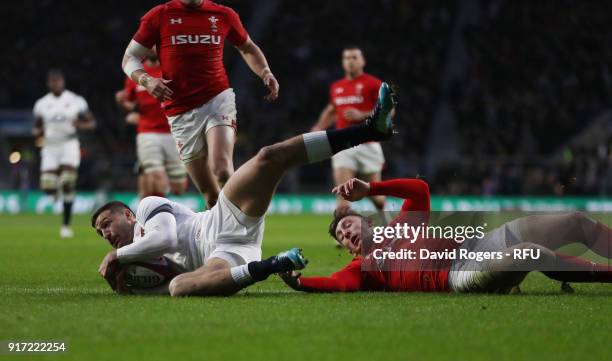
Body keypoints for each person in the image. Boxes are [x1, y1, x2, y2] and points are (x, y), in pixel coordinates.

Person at [93, 83, 396, 296]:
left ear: (129, 215)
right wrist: (130, 285)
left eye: (107, 223)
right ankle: (273, 264)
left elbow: (165, 238)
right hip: (228, 253)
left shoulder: (147, 206)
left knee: (269, 157)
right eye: (100, 232)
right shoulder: (133, 261)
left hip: (221, 219)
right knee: (179, 288)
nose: (106, 233)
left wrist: (118, 256)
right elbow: (168, 281)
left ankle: (371, 129)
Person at [279, 178, 612, 293]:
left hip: (478, 244)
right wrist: (298, 282)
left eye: (348, 225)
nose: (347, 232)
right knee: (529, 252)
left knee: (575, 221)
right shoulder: (364, 266)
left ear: (365, 220)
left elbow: (420, 190)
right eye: (342, 235)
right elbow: (337, 284)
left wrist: (372, 187)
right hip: (459, 274)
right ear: (346, 248)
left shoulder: (401, 224)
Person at [121, 0, 279, 208]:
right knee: (211, 196)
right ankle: (221, 235)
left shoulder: (223, 14)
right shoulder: (159, 15)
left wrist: (265, 71)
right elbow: (129, 58)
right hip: (179, 110)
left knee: (221, 169)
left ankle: (244, 228)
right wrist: (147, 80)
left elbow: (247, 47)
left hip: (217, 99)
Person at [311, 46, 393, 219]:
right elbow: (333, 109)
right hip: (343, 145)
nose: (350, 61)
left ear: (362, 61)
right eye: (346, 58)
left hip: (368, 144)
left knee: (376, 197)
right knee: (343, 194)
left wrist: (362, 114)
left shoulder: (373, 83)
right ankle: (342, 235)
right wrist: (318, 127)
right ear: (343, 62)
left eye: (354, 57)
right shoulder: (336, 87)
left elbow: (390, 111)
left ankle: (388, 223)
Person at [32, 69, 96, 238]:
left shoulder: (75, 101)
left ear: (63, 81)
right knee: (47, 187)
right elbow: (36, 127)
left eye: (58, 81)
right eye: (52, 81)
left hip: (69, 144)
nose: (55, 84)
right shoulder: (41, 104)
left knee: (68, 182)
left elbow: (91, 123)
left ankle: (66, 226)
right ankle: (55, 190)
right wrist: (37, 132)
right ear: (48, 83)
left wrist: (81, 125)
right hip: (50, 146)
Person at [115, 54, 188, 199]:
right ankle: (160, 215)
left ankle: (157, 207)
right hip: (148, 133)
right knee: (154, 178)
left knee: (178, 188)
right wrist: (122, 102)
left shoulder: (171, 68)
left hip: (174, 133)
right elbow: (129, 103)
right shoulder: (137, 72)